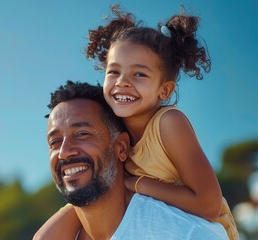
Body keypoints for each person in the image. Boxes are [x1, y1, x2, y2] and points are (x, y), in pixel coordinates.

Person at [35, 4, 238, 240]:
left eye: (139, 74)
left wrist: (136, 184)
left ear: (164, 90)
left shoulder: (168, 123)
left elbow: (209, 205)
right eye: (113, 72)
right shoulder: (116, 134)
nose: (122, 82)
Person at [35, 80, 228, 239]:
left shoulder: (186, 234)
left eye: (83, 134)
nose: (64, 151)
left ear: (121, 148)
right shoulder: (59, 233)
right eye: (55, 141)